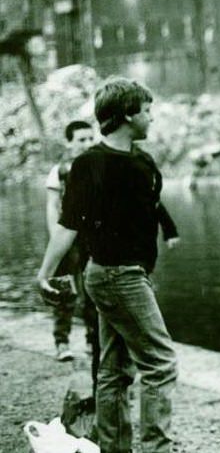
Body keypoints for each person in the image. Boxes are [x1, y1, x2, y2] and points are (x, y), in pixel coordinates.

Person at [37, 77, 180, 453]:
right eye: (146, 111)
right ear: (127, 115)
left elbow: (150, 213)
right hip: (115, 275)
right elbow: (68, 226)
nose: (151, 117)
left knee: (115, 369)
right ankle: (156, 449)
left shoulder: (143, 162)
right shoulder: (88, 164)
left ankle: (115, 448)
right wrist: (45, 272)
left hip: (130, 275)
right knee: (160, 364)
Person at [44, 120, 96, 363]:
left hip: (93, 236)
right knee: (64, 288)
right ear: (70, 143)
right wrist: (56, 236)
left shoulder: (100, 165)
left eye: (90, 138)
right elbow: (52, 205)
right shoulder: (61, 170)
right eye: (81, 140)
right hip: (67, 235)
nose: (87, 144)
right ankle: (61, 341)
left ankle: (92, 339)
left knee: (93, 288)